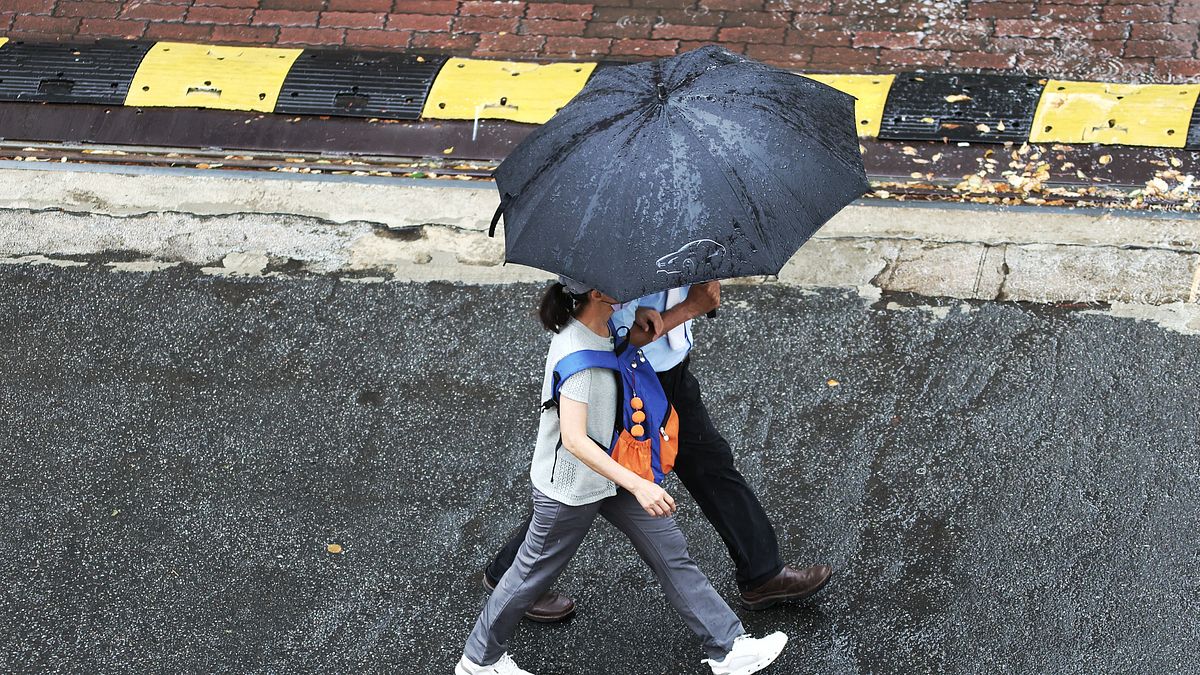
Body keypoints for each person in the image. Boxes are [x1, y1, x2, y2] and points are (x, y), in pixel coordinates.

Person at [457, 278, 788, 675]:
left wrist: (645, 329)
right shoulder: (575, 355)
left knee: (671, 552)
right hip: (571, 487)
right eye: (620, 285)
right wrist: (638, 484)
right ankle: (478, 660)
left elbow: (620, 350)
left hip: (611, 471)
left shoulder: (607, 326)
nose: (632, 286)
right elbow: (576, 441)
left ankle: (729, 647)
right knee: (529, 574)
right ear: (596, 293)